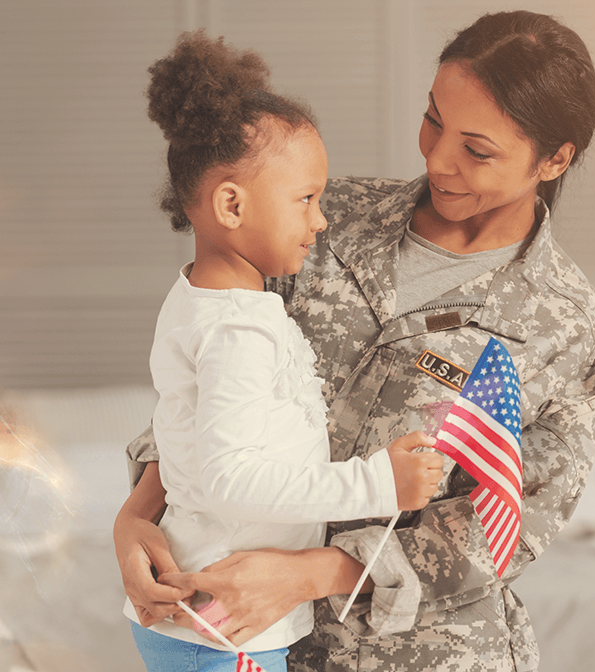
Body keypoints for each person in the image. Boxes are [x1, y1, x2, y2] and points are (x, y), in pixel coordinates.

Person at [114, 11, 595, 671]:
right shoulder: (319, 217)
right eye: (433, 119)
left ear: (553, 159)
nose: (437, 158)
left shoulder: (572, 325)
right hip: (244, 639)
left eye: (477, 150)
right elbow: (214, 373)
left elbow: (508, 527)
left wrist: (311, 573)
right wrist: (137, 514)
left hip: (419, 655)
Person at [120, 31, 444, 672]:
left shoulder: (217, 302)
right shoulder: (237, 330)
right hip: (217, 632)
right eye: (306, 199)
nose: (320, 220)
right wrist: (376, 482)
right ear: (231, 204)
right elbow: (231, 480)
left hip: (214, 623)